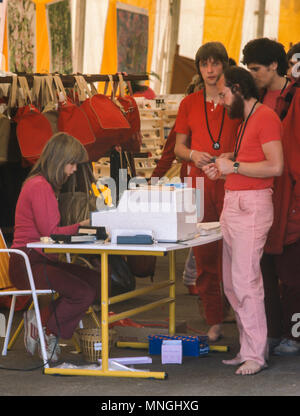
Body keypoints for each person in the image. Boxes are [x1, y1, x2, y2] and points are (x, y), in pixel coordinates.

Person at [203, 66, 283, 375]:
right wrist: (227, 161)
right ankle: (250, 348)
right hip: (235, 204)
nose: (221, 100)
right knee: (233, 284)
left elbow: (275, 167)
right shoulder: (248, 120)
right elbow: (248, 160)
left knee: (246, 282)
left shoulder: (265, 118)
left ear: (238, 88)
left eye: (223, 94)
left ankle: (255, 354)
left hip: (251, 206)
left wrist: (232, 165)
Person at [9, 133, 101, 362]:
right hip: (29, 262)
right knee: (85, 292)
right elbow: (50, 233)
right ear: (60, 161)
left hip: (35, 259)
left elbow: (49, 234)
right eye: (72, 164)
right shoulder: (40, 186)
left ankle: (42, 320)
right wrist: (83, 226)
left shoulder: (39, 184)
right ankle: (46, 329)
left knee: (95, 283)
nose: (73, 170)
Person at [174, 42, 241, 341]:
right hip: (198, 184)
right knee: (204, 255)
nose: (211, 70)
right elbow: (178, 147)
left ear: (225, 65)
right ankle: (214, 319)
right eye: (205, 64)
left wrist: (230, 155)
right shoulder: (189, 103)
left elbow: (248, 144)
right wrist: (192, 155)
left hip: (233, 182)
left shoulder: (237, 101)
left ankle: (244, 319)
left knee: (240, 254)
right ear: (199, 68)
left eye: (216, 64)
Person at [242, 38, 300, 355]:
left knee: (291, 272)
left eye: (256, 69)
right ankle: (273, 332)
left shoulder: (295, 95)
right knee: (263, 270)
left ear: (274, 65)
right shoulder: (257, 98)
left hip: (289, 195)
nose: (252, 75)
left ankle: (293, 334)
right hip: (262, 195)